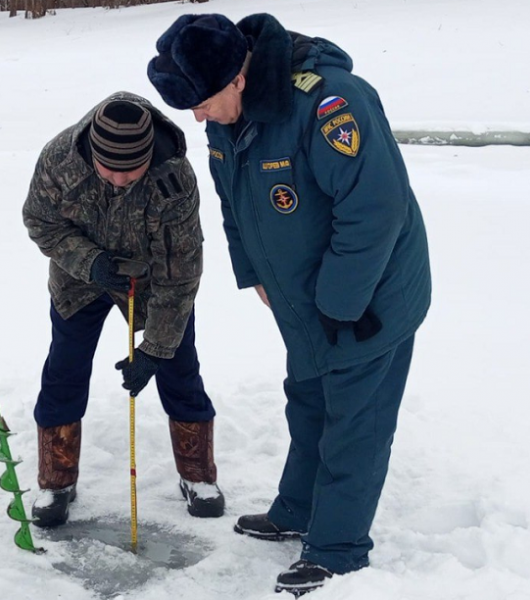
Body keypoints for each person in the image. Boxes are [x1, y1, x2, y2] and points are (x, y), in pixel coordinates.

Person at [148, 13, 431, 595]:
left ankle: (338, 549)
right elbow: (233, 200)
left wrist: (340, 302)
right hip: (304, 300)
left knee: (355, 421)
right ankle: (297, 511)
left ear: (239, 78)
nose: (197, 116)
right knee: (308, 401)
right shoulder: (229, 116)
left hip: (368, 298)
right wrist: (254, 272)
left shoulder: (330, 104)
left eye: (202, 102)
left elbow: (375, 210)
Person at [22, 92, 224, 527]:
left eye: (129, 170)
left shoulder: (174, 179)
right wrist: (89, 261)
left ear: (149, 158)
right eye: (108, 169)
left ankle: (198, 476)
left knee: (179, 367)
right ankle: (55, 480)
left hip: (154, 282)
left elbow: (182, 271)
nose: (117, 179)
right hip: (79, 279)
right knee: (65, 369)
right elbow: (40, 222)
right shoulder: (60, 160)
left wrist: (155, 348)